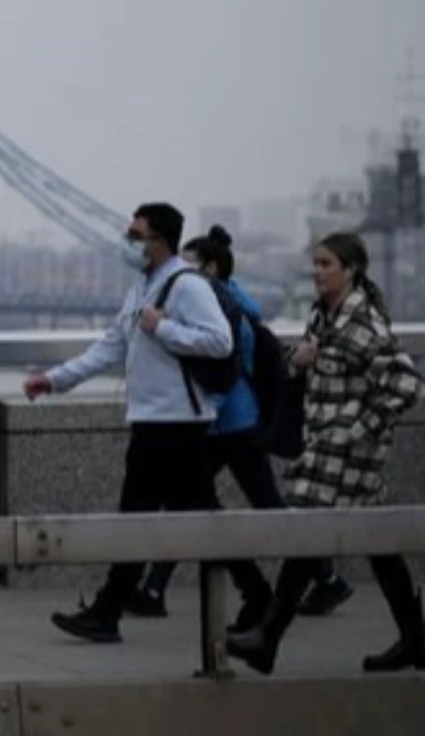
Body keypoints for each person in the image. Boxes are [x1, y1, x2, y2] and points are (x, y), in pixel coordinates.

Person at [25, 203, 249, 645]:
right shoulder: (142, 288)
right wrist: (53, 380)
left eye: (135, 234)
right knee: (193, 517)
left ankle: (108, 612)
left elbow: (220, 342)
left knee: (141, 518)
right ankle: (256, 596)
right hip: (152, 421)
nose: (127, 242)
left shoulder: (187, 285)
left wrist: (164, 330)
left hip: (178, 423)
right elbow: (109, 349)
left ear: (159, 240)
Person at [227, 232, 425, 674]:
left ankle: (268, 638)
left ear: (350, 270)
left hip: (348, 456)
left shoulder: (362, 325)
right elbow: (294, 365)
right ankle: (415, 638)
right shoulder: (323, 317)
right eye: (314, 264)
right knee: (381, 546)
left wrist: (356, 431)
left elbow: (407, 385)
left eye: (326, 264)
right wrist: (297, 360)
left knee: (309, 534)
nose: (317, 272)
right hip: (325, 450)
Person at [123, 226, 317, 631]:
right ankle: (155, 591)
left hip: (230, 424)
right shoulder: (218, 300)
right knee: (193, 505)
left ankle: (314, 576)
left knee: (226, 506)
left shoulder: (228, 312)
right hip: (227, 424)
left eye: (189, 264)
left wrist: (200, 416)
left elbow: (225, 374)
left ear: (211, 267)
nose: (180, 273)